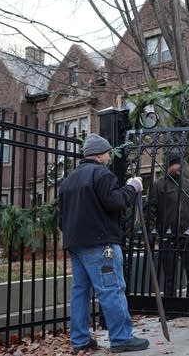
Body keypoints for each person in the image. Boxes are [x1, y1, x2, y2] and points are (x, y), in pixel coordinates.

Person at [58, 133, 150, 354]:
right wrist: (133, 186)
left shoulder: (68, 180)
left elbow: (62, 218)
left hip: (76, 245)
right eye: (108, 153)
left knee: (80, 292)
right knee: (112, 290)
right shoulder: (101, 174)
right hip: (101, 245)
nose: (110, 156)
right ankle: (121, 338)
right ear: (100, 154)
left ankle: (79, 340)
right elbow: (116, 202)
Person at [147, 152, 189, 297]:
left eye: (181, 163)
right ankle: (170, 305)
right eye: (176, 163)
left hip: (188, 235)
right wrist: (149, 231)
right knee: (170, 275)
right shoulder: (158, 185)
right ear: (168, 166)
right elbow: (150, 210)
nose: (180, 166)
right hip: (167, 236)